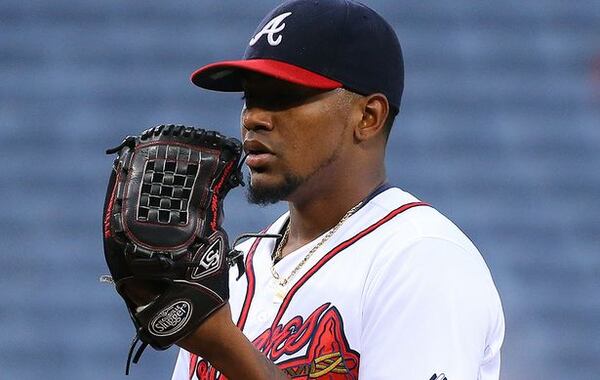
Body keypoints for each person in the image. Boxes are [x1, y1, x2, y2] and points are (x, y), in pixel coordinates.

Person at [171, 0, 504, 379]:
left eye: (283, 96)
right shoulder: (229, 268)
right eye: (250, 97)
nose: (254, 118)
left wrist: (222, 346)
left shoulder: (421, 258)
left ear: (368, 116)